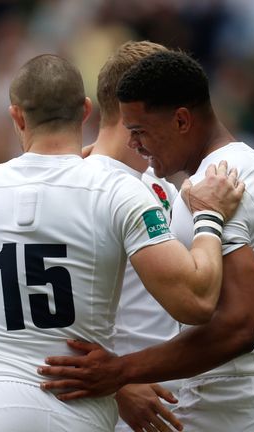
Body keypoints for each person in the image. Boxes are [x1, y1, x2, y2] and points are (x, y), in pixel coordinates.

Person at [39, 51, 254, 431]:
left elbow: (238, 325)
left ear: (181, 120)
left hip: (232, 406)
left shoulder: (216, 185)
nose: (136, 145)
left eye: (140, 131)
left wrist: (120, 371)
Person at [0, 54, 243, 432]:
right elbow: (196, 302)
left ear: (17, 117)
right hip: (77, 407)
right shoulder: (118, 190)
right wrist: (209, 217)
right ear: (85, 111)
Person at [86, 40, 184, 432]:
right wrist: (118, 384)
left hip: (175, 406)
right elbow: (45, 312)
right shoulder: (79, 189)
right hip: (112, 410)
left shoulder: (163, 187)